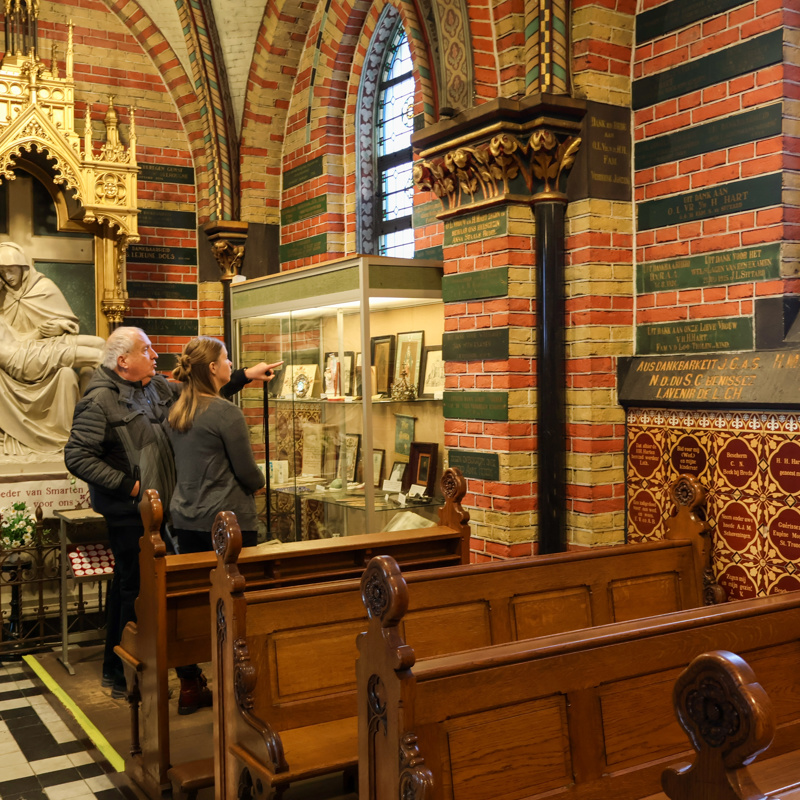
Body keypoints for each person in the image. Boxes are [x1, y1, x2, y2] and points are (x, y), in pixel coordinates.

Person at [64, 327, 276, 712]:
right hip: (131, 511)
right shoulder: (98, 401)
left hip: (167, 507)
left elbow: (204, 394)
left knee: (164, 592)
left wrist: (245, 375)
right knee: (133, 588)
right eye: (146, 349)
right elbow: (77, 457)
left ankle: (181, 678)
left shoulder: (158, 388)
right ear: (123, 360)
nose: (155, 353)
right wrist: (130, 487)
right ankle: (122, 673)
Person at [168, 337, 272, 552]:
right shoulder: (226, 412)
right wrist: (261, 481)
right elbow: (247, 472)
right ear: (213, 367)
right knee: (234, 583)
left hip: (186, 518)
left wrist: (247, 375)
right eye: (226, 358)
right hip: (227, 519)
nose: (231, 364)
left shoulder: (177, 410)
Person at [0, 242, 105, 455]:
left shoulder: (42, 288)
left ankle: (87, 418)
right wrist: (41, 334)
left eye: (10, 270)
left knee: (102, 344)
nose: (7, 277)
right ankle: (90, 429)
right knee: (97, 356)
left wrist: (54, 328)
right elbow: (13, 350)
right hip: (26, 358)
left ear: (23, 267)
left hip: (38, 348)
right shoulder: (1, 298)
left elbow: (23, 339)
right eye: (2, 273)